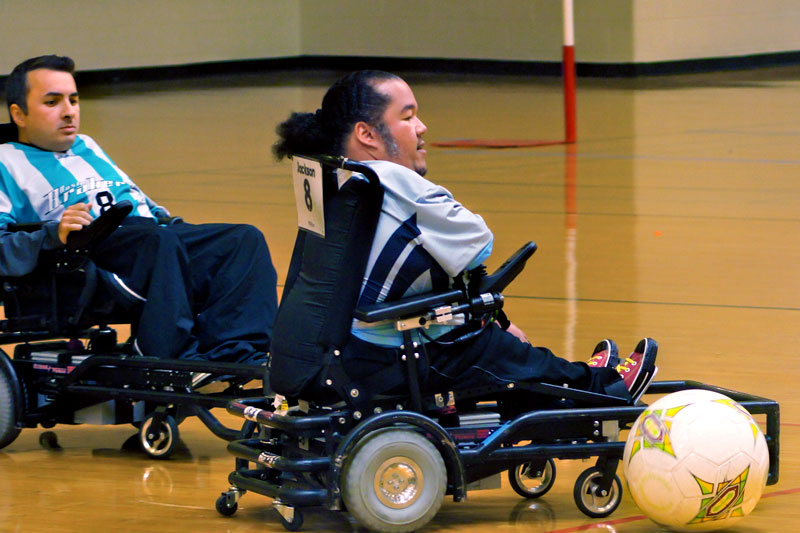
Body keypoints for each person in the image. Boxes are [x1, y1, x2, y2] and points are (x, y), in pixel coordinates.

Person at [271, 70, 658, 405]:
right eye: (408, 118)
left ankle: (564, 377)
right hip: (381, 358)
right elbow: (479, 242)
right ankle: (603, 388)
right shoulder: (394, 181)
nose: (422, 127)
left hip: (321, 350)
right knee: (489, 346)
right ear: (367, 134)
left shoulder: (332, 174)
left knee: (485, 331)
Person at [0, 55, 278, 363]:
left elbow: (141, 202)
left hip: (150, 240)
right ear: (19, 114)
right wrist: (53, 234)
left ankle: (237, 356)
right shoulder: (5, 162)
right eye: (52, 103)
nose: (69, 112)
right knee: (160, 241)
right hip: (84, 262)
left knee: (242, 241)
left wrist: (171, 222)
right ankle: (166, 354)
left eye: (74, 100)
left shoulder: (86, 145)